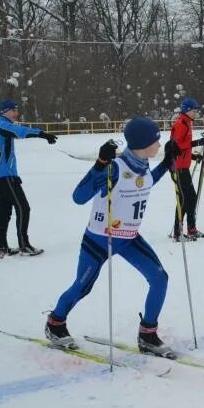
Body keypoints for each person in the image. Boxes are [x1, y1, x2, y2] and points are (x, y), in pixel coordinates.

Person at [44, 116, 179, 358]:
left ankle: (147, 335)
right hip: (99, 239)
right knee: (82, 287)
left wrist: (167, 162)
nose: (159, 145)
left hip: (128, 238)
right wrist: (99, 164)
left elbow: (144, 183)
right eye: (156, 141)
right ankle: (55, 323)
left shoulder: (142, 164)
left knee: (160, 279)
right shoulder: (114, 168)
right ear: (141, 143)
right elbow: (79, 197)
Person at [0, 98, 58, 257]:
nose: (16, 113)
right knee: (23, 208)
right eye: (13, 110)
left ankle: (2, 247)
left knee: (4, 211)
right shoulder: (1, 126)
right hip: (5, 177)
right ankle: (24, 245)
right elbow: (20, 131)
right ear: (4, 111)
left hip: (1, 176)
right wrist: (42, 134)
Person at [170, 97, 204, 240]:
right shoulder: (181, 124)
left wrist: (193, 157)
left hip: (184, 167)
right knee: (184, 199)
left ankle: (191, 228)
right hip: (178, 168)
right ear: (187, 110)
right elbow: (176, 146)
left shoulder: (187, 123)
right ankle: (178, 232)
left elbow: (184, 148)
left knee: (190, 198)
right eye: (194, 110)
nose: (196, 113)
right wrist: (198, 142)